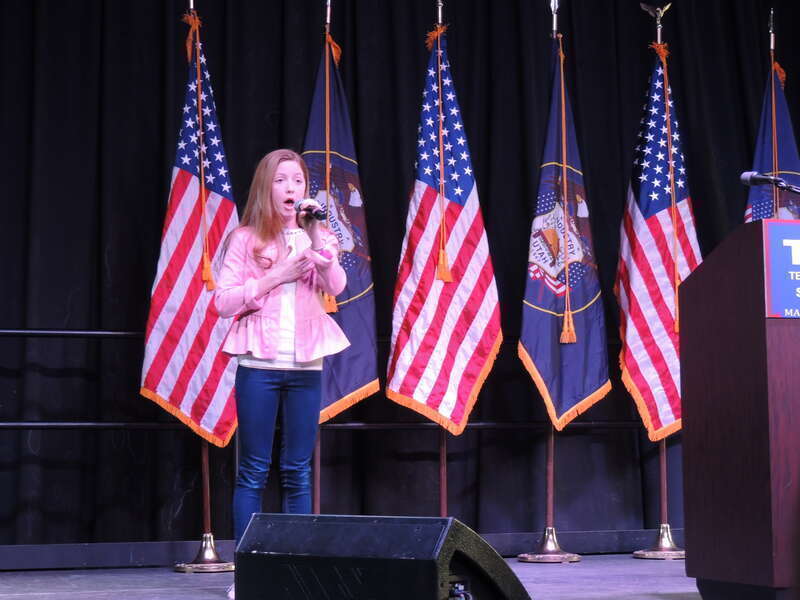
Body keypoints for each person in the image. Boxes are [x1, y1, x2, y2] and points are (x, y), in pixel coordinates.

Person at [214, 149, 349, 599]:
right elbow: (224, 302)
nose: (291, 189)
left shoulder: (319, 233)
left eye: (297, 181)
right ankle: (249, 574)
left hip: (305, 365)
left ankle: (296, 572)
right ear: (266, 188)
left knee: (297, 470)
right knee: (253, 470)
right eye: (282, 181)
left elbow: (338, 287)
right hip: (260, 365)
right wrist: (277, 276)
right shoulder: (246, 238)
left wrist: (318, 245)